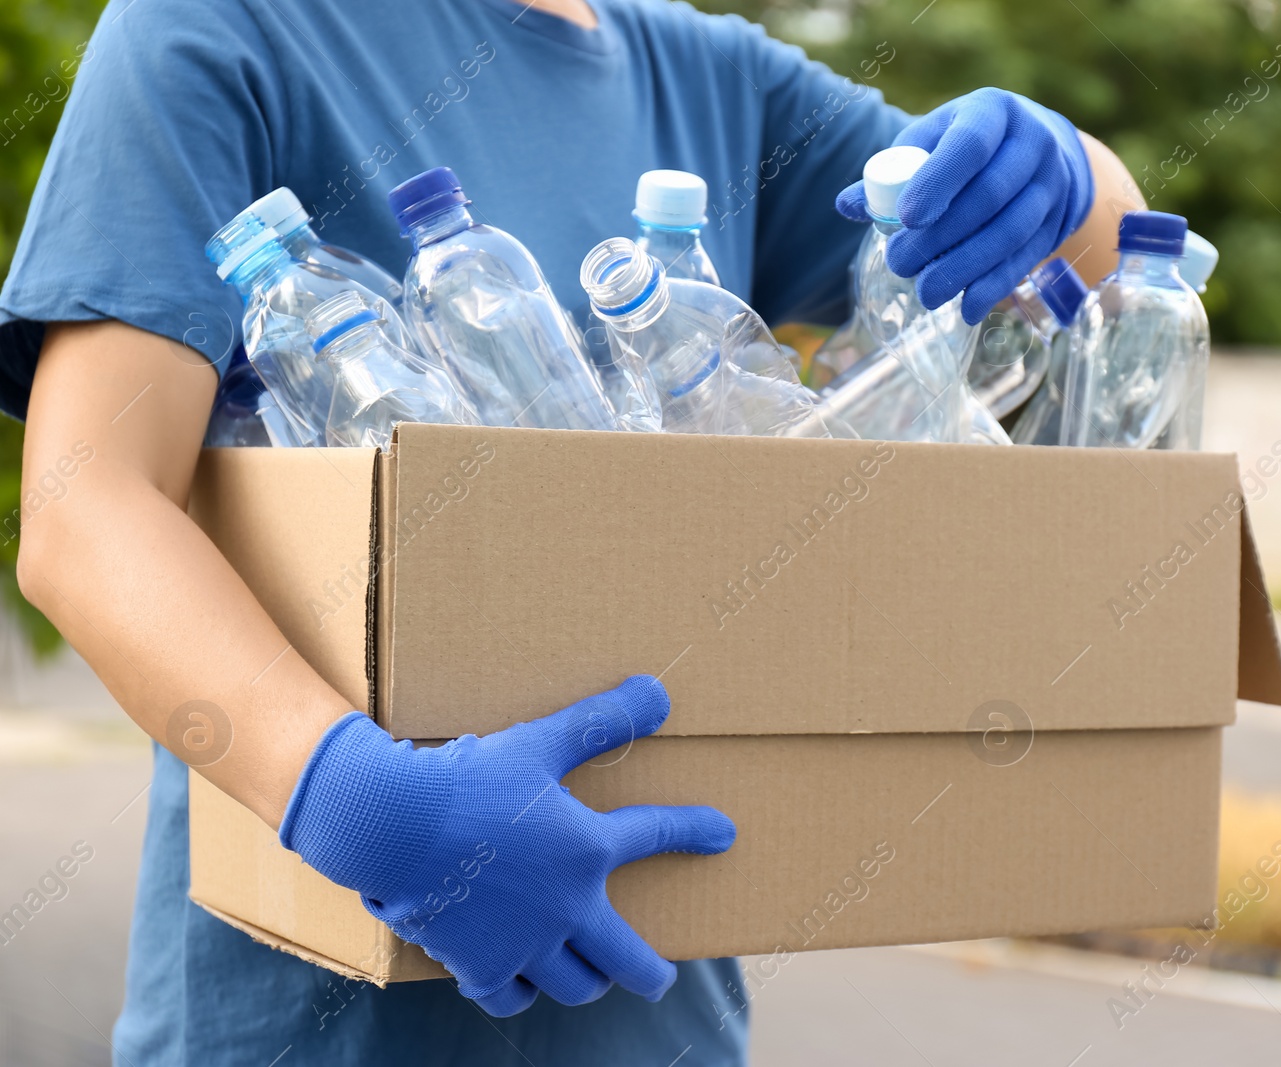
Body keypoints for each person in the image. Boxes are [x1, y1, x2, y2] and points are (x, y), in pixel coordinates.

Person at [0, 0, 1139, 1062]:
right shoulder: (219, 30)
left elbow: (1111, 267)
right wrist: (369, 805)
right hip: (303, 1026)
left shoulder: (713, 78)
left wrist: (1066, 173)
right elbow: (85, 509)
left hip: (660, 1014)